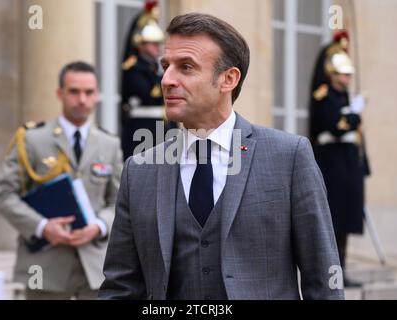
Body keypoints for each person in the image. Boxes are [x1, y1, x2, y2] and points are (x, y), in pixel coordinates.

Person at [99, 13, 343, 300]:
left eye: (185, 67)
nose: (166, 79)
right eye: (166, 66)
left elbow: (324, 281)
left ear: (228, 79)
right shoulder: (138, 170)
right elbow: (121, 287)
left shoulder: (289, 157)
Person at [0, 61, 123, 299]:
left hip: (96, 266)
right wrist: (42, 227)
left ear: (97, 96)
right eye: (74, 91)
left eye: (89, 92)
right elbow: (3, 193)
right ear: (59, 93)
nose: (82, 99)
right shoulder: (32, 139)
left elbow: (120, 202)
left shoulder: (109, 144)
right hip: (45, 265)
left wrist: (99, 225)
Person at [309, 50, 370, 287]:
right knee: (333, 219)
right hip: (332, 161)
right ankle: (330, 273)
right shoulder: (325, 96)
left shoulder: (345, 96)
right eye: (342, 75)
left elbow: (356, 135)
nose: (347, 79)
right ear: (332, 74)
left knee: (344, 220)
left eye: (348, 75)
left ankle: (341, 271)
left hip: (348, 161)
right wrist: (355, 113)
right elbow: (337, 127)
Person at [120, 3, 177, 160]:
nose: (156, 48)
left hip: (163, 125)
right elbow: (148, 94)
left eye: (158, 44)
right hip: (142, 126)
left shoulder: (155, 67)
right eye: (152, 44)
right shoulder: (134, 67)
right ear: (141, 45)